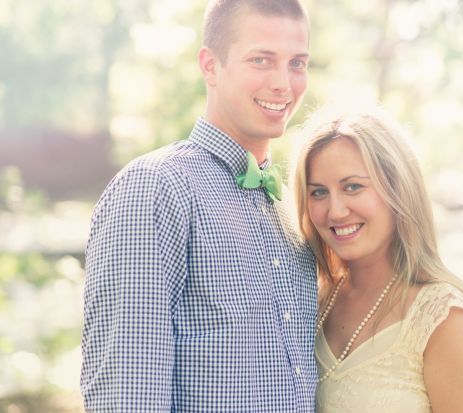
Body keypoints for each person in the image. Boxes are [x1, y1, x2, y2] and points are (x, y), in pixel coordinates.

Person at [80, 1, 318, 411]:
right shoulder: (156, 187)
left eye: (297, 63)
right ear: (210, 66)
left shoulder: (289, 210)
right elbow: (127, 393)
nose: (283, 83)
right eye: (261, 60)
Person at [291, 104, 463, 413]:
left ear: (398, 189)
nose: (335, 211)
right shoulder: (312, 301)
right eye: (318, 192)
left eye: (353, 187)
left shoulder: (448, 321)